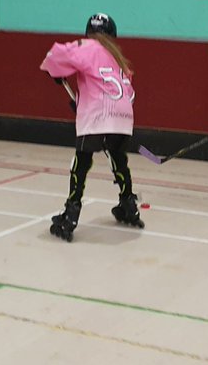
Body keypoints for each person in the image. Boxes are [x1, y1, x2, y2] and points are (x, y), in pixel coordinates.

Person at [39, 13, 142, 242]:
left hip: (97, 116)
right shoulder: (118, 59)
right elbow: (128, 94)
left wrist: (56, 72)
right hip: (123, 117)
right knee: (118, 159)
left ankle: (71, 213)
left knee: (81, 162)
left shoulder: (87, 47)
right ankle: (128, 204)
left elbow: (55, 55)